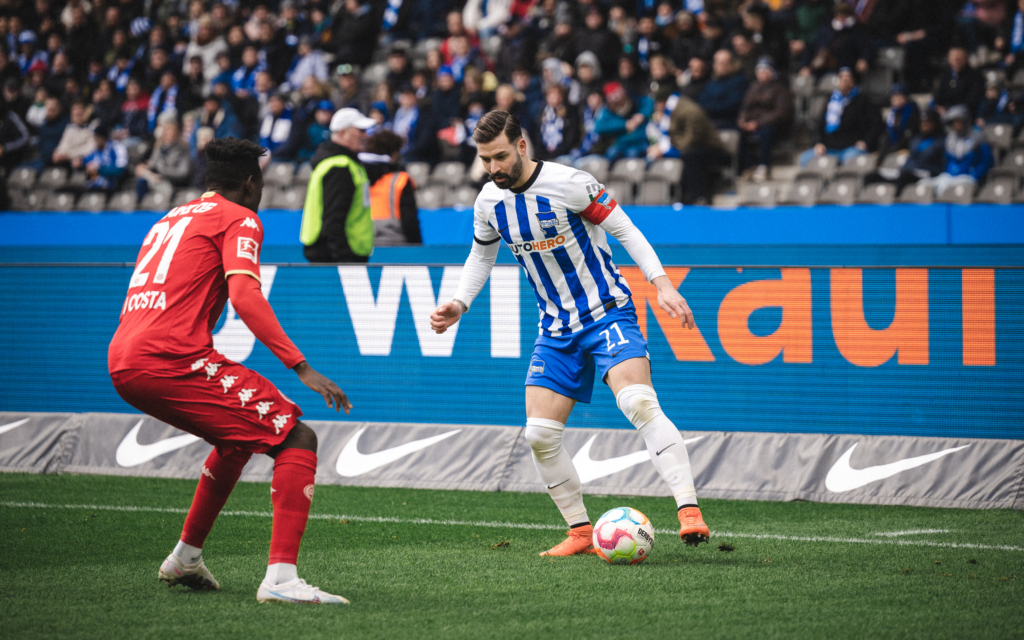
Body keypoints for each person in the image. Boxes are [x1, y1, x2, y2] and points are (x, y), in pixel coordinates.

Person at [429, 111, 710, 557]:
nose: (493, 167)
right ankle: (580, 533)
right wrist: (459, 303)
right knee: (539, 435)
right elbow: (481, 258)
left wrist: (661, 284)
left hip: (607, 314)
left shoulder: (571, 184)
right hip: (555, 330)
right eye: (485, 160)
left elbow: (626, 231)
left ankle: (689, 511)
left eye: (500, 156)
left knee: (637, 401)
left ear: (521, 146)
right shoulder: (489, 202)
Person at [108, 137, 351, 605]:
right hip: (169, 356)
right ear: (250, 181)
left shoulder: (168, 219)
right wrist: (300, 366)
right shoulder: (240, 218)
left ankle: (185, 558)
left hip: (124, 356)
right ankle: (281, 580)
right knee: (296, 437)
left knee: (238, 438)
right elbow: (244, 296)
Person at [300, 108, 375, 263]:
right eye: (360, 130)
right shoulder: (340, 167)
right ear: (342, 133)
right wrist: (344, 259)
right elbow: (333, 220)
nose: (366, 135)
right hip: (338, 258)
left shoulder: (339, 163)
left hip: (332, 255)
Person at [798, 67, 882, 167]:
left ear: (853, 80)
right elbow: (820, 124)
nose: (844, 80)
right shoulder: (831, 100)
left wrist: (866, 142)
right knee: (804, 159)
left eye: (848, 78)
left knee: (849, 161)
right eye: (841, 77)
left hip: (851, 147)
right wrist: (819, 143)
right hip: (829, 147)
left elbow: (876, 123)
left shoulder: (863, 100)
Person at [359, 129, 421, 245]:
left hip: (364, 243)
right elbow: (409, 221)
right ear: (393, 153)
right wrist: (417, 247)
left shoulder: (359, 177)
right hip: (395, 244)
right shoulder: (400, 180)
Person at [737, 57, 793, 182]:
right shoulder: (753, 88)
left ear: (771, 72)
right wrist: (743, 120)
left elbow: (781, 113)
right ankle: (749, 166)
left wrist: (758, 123)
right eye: (759, 71)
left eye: (765, 70)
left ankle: (764, 167)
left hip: (772, 124)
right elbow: (745, 107)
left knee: (767, 132)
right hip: (753, 123)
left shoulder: (780, 89)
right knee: (737, 132)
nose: (761, 73)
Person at [917, 105, 994, 197]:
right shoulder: (951, 138)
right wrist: (952, 171)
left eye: (959, 121)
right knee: (924, 183)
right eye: (954, 122)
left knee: (950, 187)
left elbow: (987, 161)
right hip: (951, 176)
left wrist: (974, 175)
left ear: (965, 120)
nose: (956, 125)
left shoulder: (978, 137)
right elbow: (948, 161)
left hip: (969, 176)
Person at [864, 109, 946, 193]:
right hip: (906, 171)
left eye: (928, 122)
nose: (924, 124)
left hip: (926, 173)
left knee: (904, 177)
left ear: (936, 123)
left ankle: (896, 203)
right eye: (922, 122)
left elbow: (941, 166)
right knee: (872, 176)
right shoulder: (916, 140)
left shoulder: (942, 141)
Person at [669, 94, 731, 204]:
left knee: (689, 156)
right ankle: (683, 196)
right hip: (698, 149)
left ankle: (697, 196)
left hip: (716, 150)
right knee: (688, 155)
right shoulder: (676, 112)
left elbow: (692, 139)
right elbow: (674, 135)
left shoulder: (691, 112)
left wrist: (674, 145)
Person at [135, 117, 192, 199]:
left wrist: (163, 173)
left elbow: (183, 172)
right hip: (154, 178)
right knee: (142, 180)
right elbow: (153, 164)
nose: (170, 134)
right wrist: (144, 167)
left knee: (164, 188)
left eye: (172, 132)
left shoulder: (183, 149)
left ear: (177, 133)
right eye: (168, 132)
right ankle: (139, 207)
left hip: (171, 182)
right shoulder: (159, 148)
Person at [698, 50, 749, 130]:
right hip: (709, 122)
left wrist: (710, 107)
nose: (720, 66)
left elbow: (732, 105)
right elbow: (701, 100)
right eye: (717, 63)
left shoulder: (739, 81)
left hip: (728, 125)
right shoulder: (712, 81)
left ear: (731, 64)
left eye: (723, 63)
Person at [933, 47, 984, 117]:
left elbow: (972, 101)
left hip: (964, 113)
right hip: (944, 111)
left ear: (966, 59)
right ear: (949, 59)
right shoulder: (945, 76)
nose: (956, 59)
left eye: (959, 57)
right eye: (953, 56)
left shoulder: (975, 76)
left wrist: (949, 108)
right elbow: (938, 96)